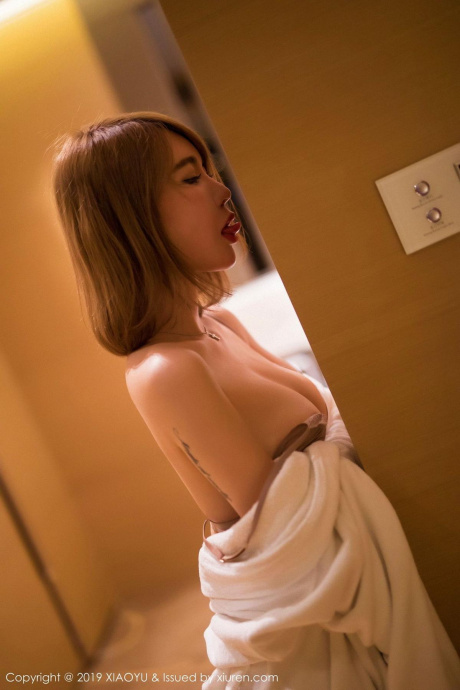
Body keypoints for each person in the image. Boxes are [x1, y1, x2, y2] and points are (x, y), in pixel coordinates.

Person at [52, 112, 460, 689]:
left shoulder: (218, 324)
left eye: (209, 172)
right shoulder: (166, 371)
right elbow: (294, 539)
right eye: (191, 178)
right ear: (131, 216)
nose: (222, 191)